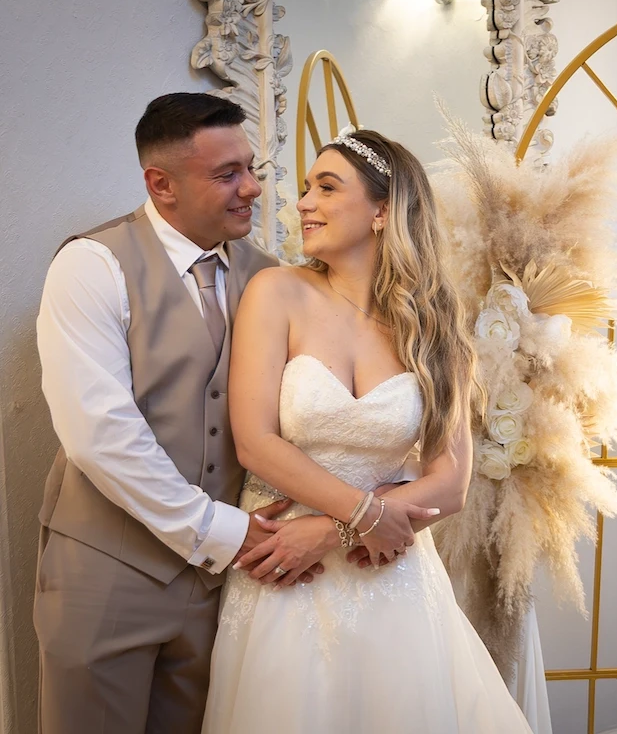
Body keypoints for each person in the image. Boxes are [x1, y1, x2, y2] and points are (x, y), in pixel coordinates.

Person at [201, 128, 532, 733]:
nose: (304, 203)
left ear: (383, 210)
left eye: (327, 188)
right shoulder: (277, 292)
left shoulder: (436, 323)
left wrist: (333, 530)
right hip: (284, 568)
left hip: (389, 571)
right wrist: (363, 515)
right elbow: (255, 442)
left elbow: (451, 484)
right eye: (306, 188)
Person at [34, 93, 325, 733]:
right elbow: (99, 435)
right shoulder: (92, 265)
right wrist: (220, 530)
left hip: (226, 588)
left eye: (251, 168)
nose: (252, 188)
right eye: (227, 174)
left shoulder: (269, 277)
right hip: (107, 574)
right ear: (160, 184)